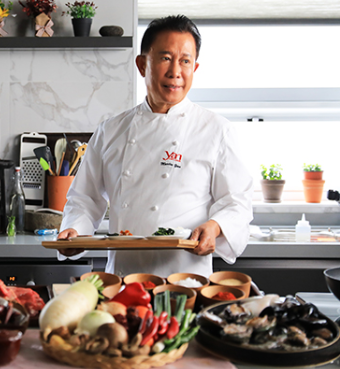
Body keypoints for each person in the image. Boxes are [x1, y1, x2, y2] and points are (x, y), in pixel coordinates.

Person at [57, 15, 253, 278]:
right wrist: (74, 231)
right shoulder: (111, 130)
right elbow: (85, 198)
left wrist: (216, 227)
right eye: (165, 58)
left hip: (185, 281)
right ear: (142, 65)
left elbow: (236, 202)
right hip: (123, 281)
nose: (175, 72)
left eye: (185, 61)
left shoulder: (217, 130)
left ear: (195, 67)